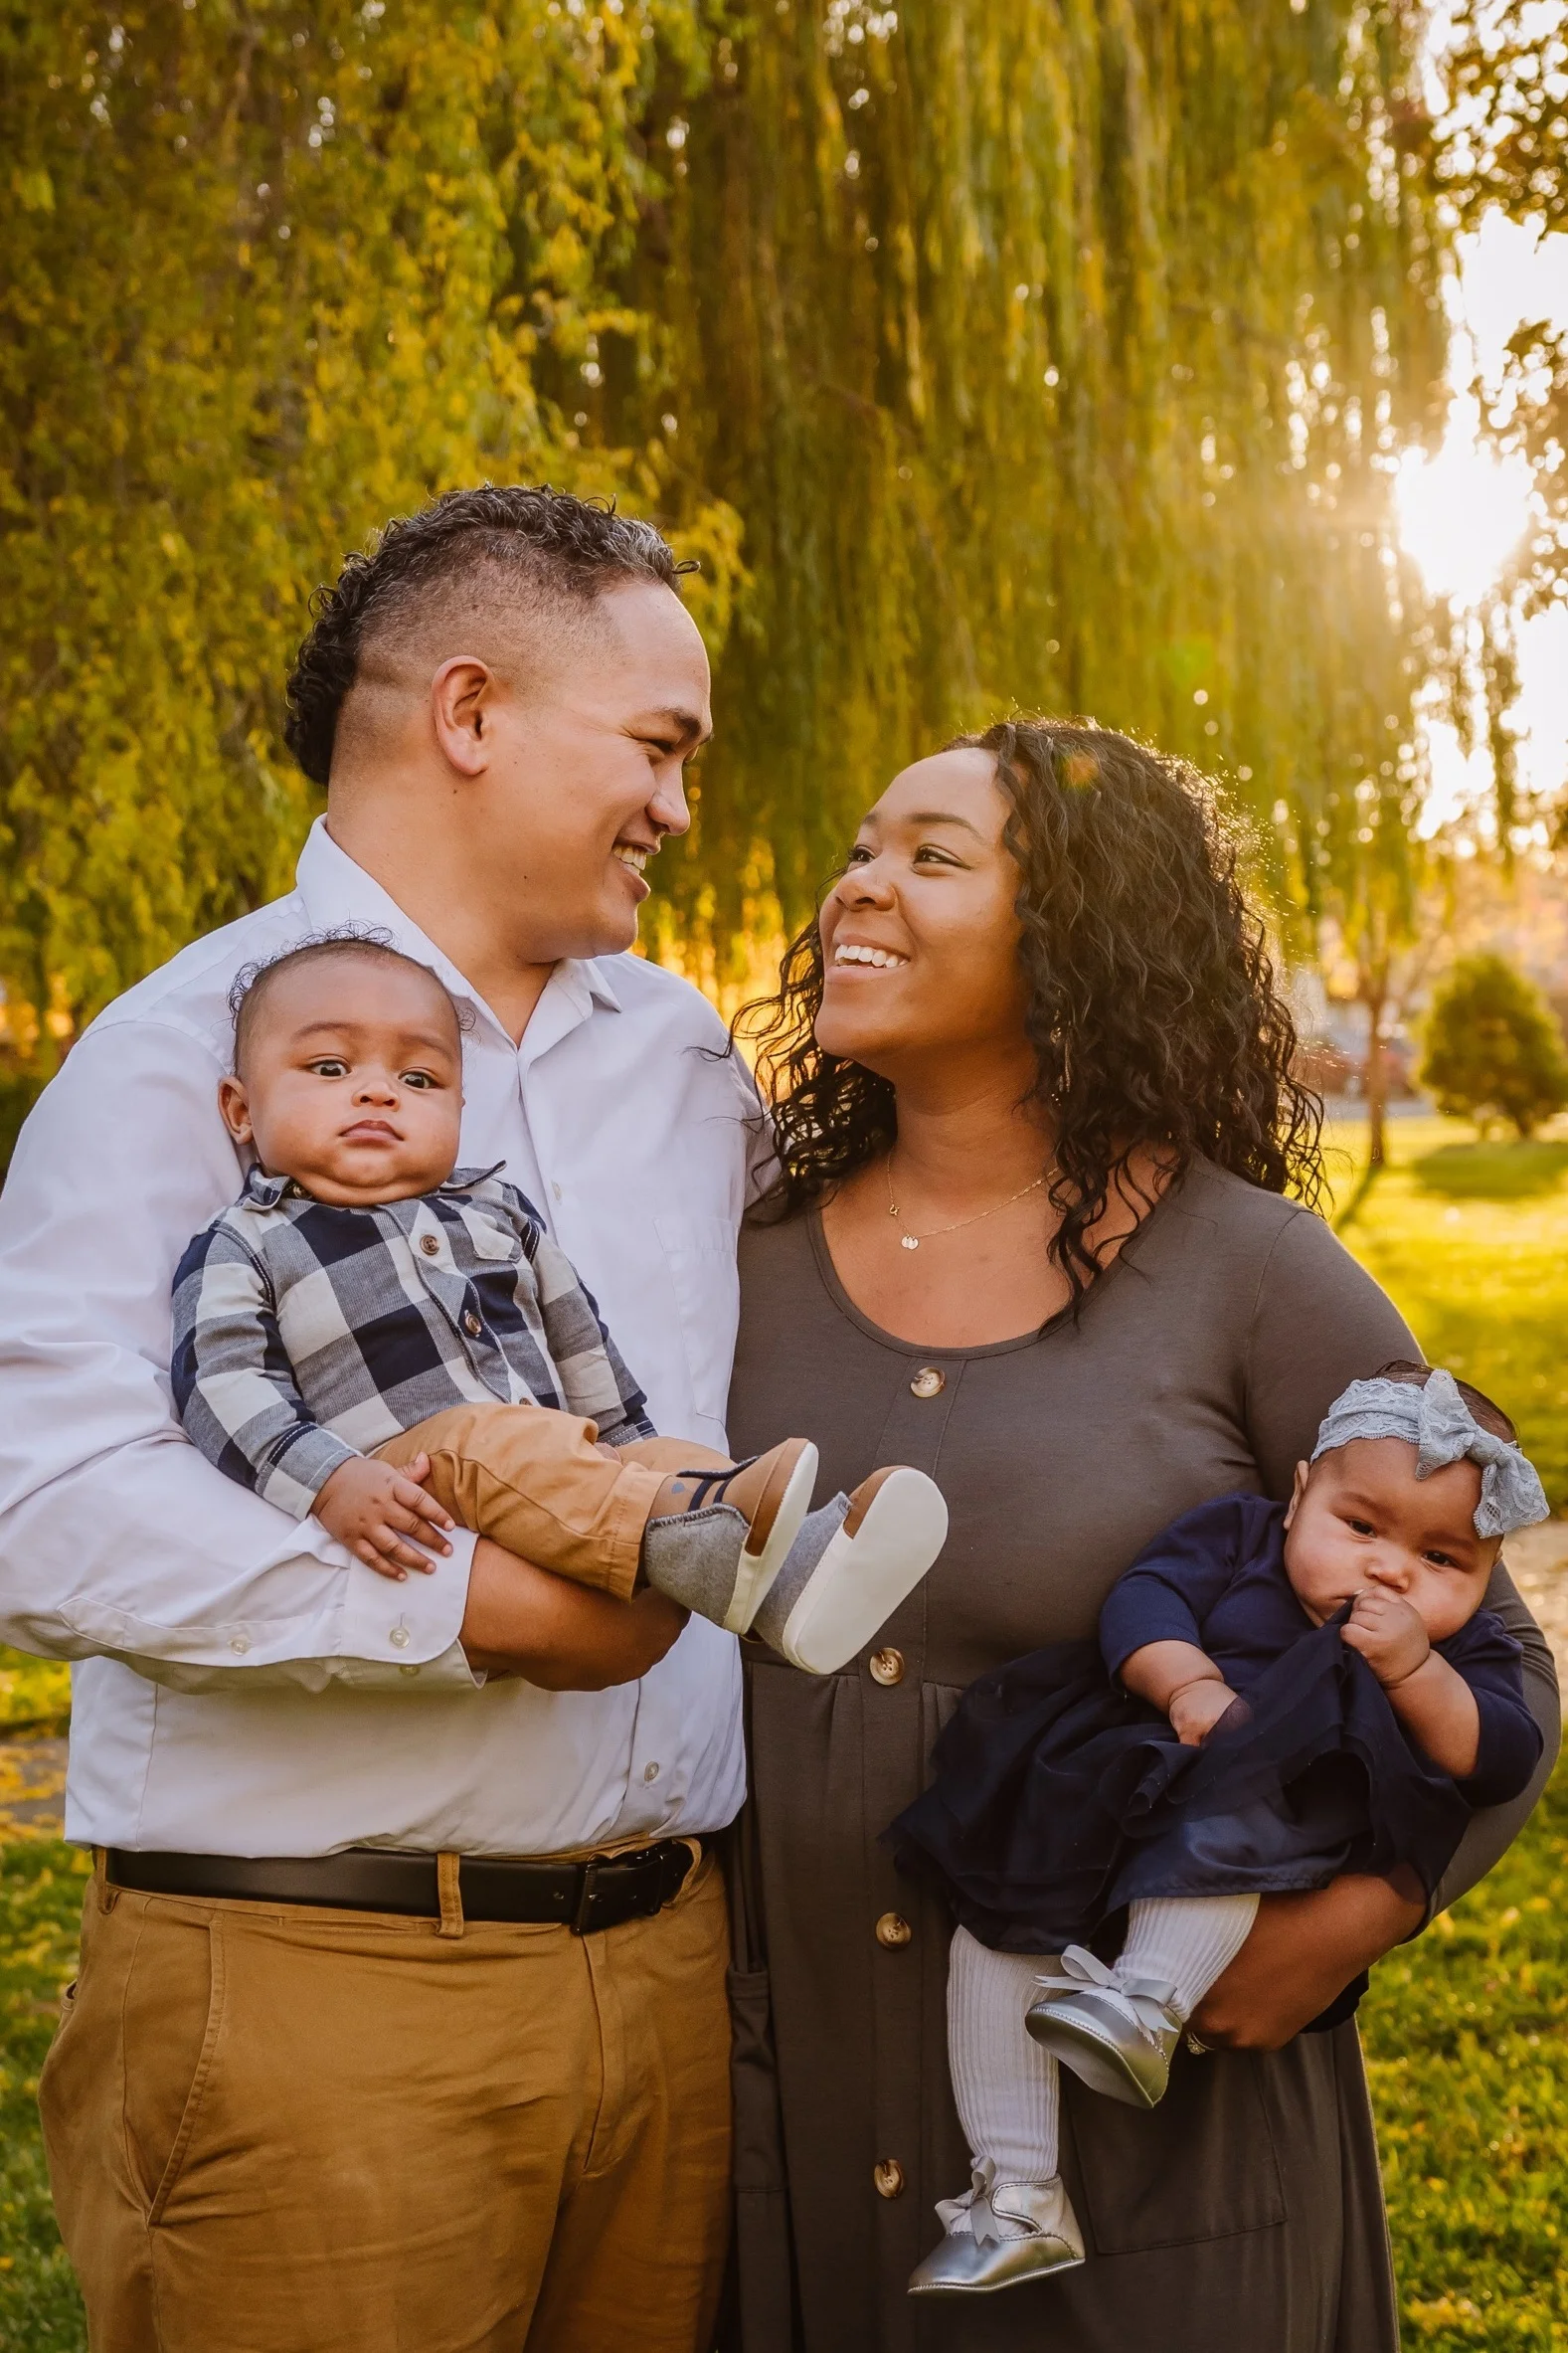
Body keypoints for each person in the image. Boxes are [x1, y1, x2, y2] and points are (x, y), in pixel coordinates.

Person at [0, 485, 760, 2353]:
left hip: (673, 1990)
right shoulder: (182, 1054)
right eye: (656, 746)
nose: (679, 806)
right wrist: (477, 1612)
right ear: (471, 713)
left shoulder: (682, 1058)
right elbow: (47, 1505)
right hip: (317, 1990)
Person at [722, 716, 1560, 2353]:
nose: (856, 888)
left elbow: (1504, 1666)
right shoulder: (739, 1258)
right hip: (802, 2128)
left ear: (1079, 936)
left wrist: (1349, 1922)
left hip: (1153, 2147)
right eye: (858, 849)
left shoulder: (1252, 1273)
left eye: (930, 857)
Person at [892, 1361, 1546, 2296]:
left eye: (1441, 1560)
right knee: (990, 1937)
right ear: (1298, 1497)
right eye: (1359, 1527)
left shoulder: (1461, 1646)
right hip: (1122, 1783)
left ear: (1484, 1575)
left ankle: (1147, 2000)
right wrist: (1187, 1682)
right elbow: (1143, 1598)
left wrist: (1414, 1673)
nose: (1389, 1568)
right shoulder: (1238, 1536)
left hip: (1270, 1821)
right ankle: (1018, 2195)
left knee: (1237, 1810)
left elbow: (1502, 1757)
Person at [174, 931, 947, 1669]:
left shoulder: (497, 1212)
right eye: (329, 1067)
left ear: (459, 1108)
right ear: (241, 1110)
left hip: (551, 1461)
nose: (378, 1091)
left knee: (664, 1457)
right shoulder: (249, 1241)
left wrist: (628, 1447)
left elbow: (580, 1342)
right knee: (482, 1440)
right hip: (403, 1480)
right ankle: (708, 1522)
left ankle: (793, 1580)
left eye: (419, 1080)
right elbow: (222, 1385)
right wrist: (328, 1479)